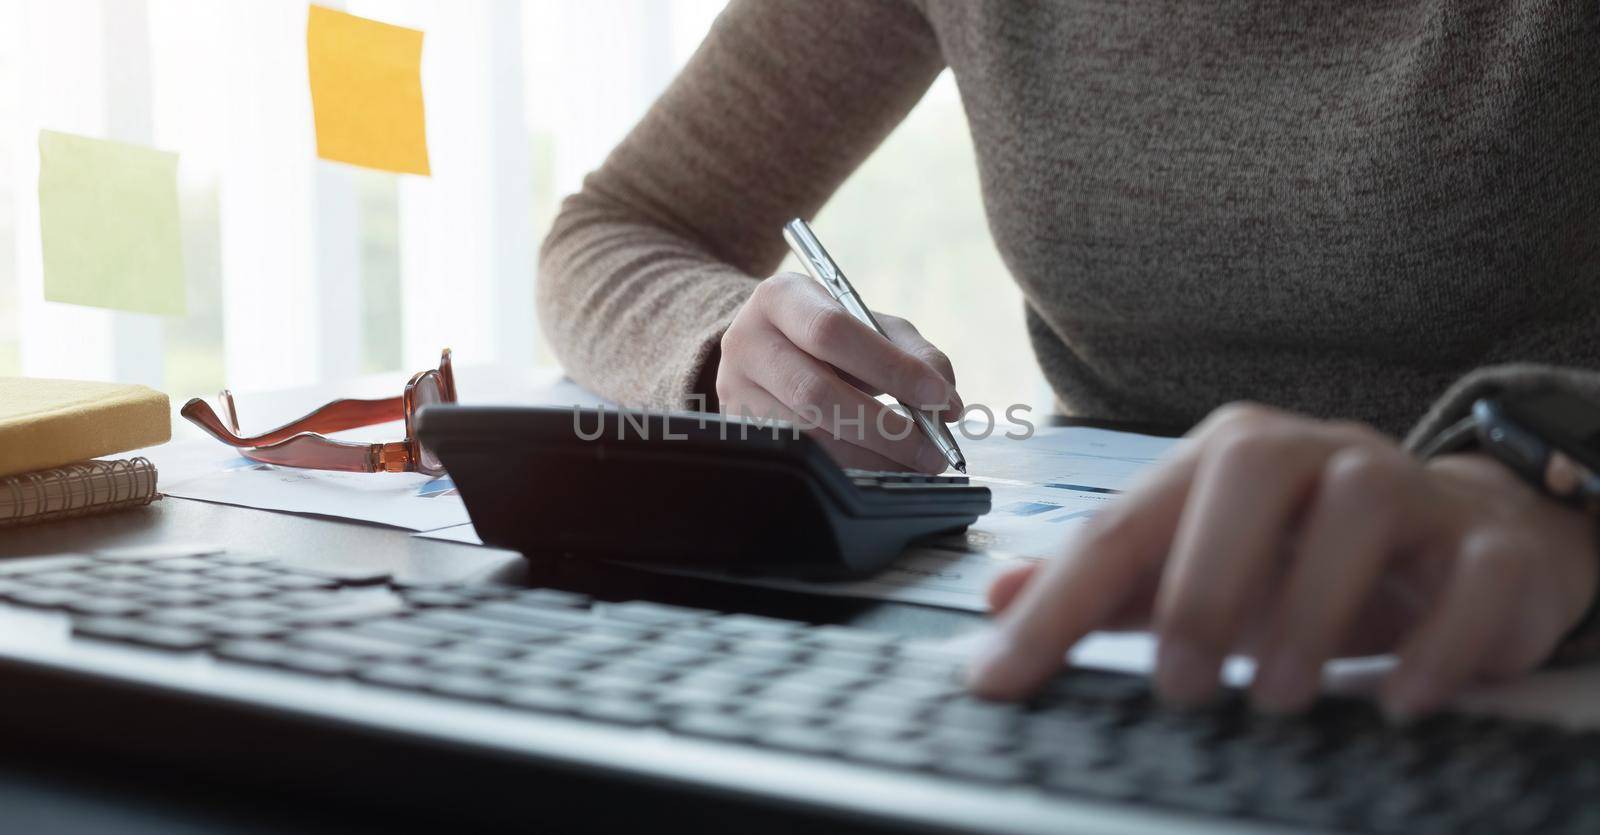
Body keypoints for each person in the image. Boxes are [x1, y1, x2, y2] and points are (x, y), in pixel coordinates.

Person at [536, 1, 1600, 718]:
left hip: (1512, 655)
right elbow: (628, 222)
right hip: (1099, 642)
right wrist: (729, 346)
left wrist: (1548, 485)